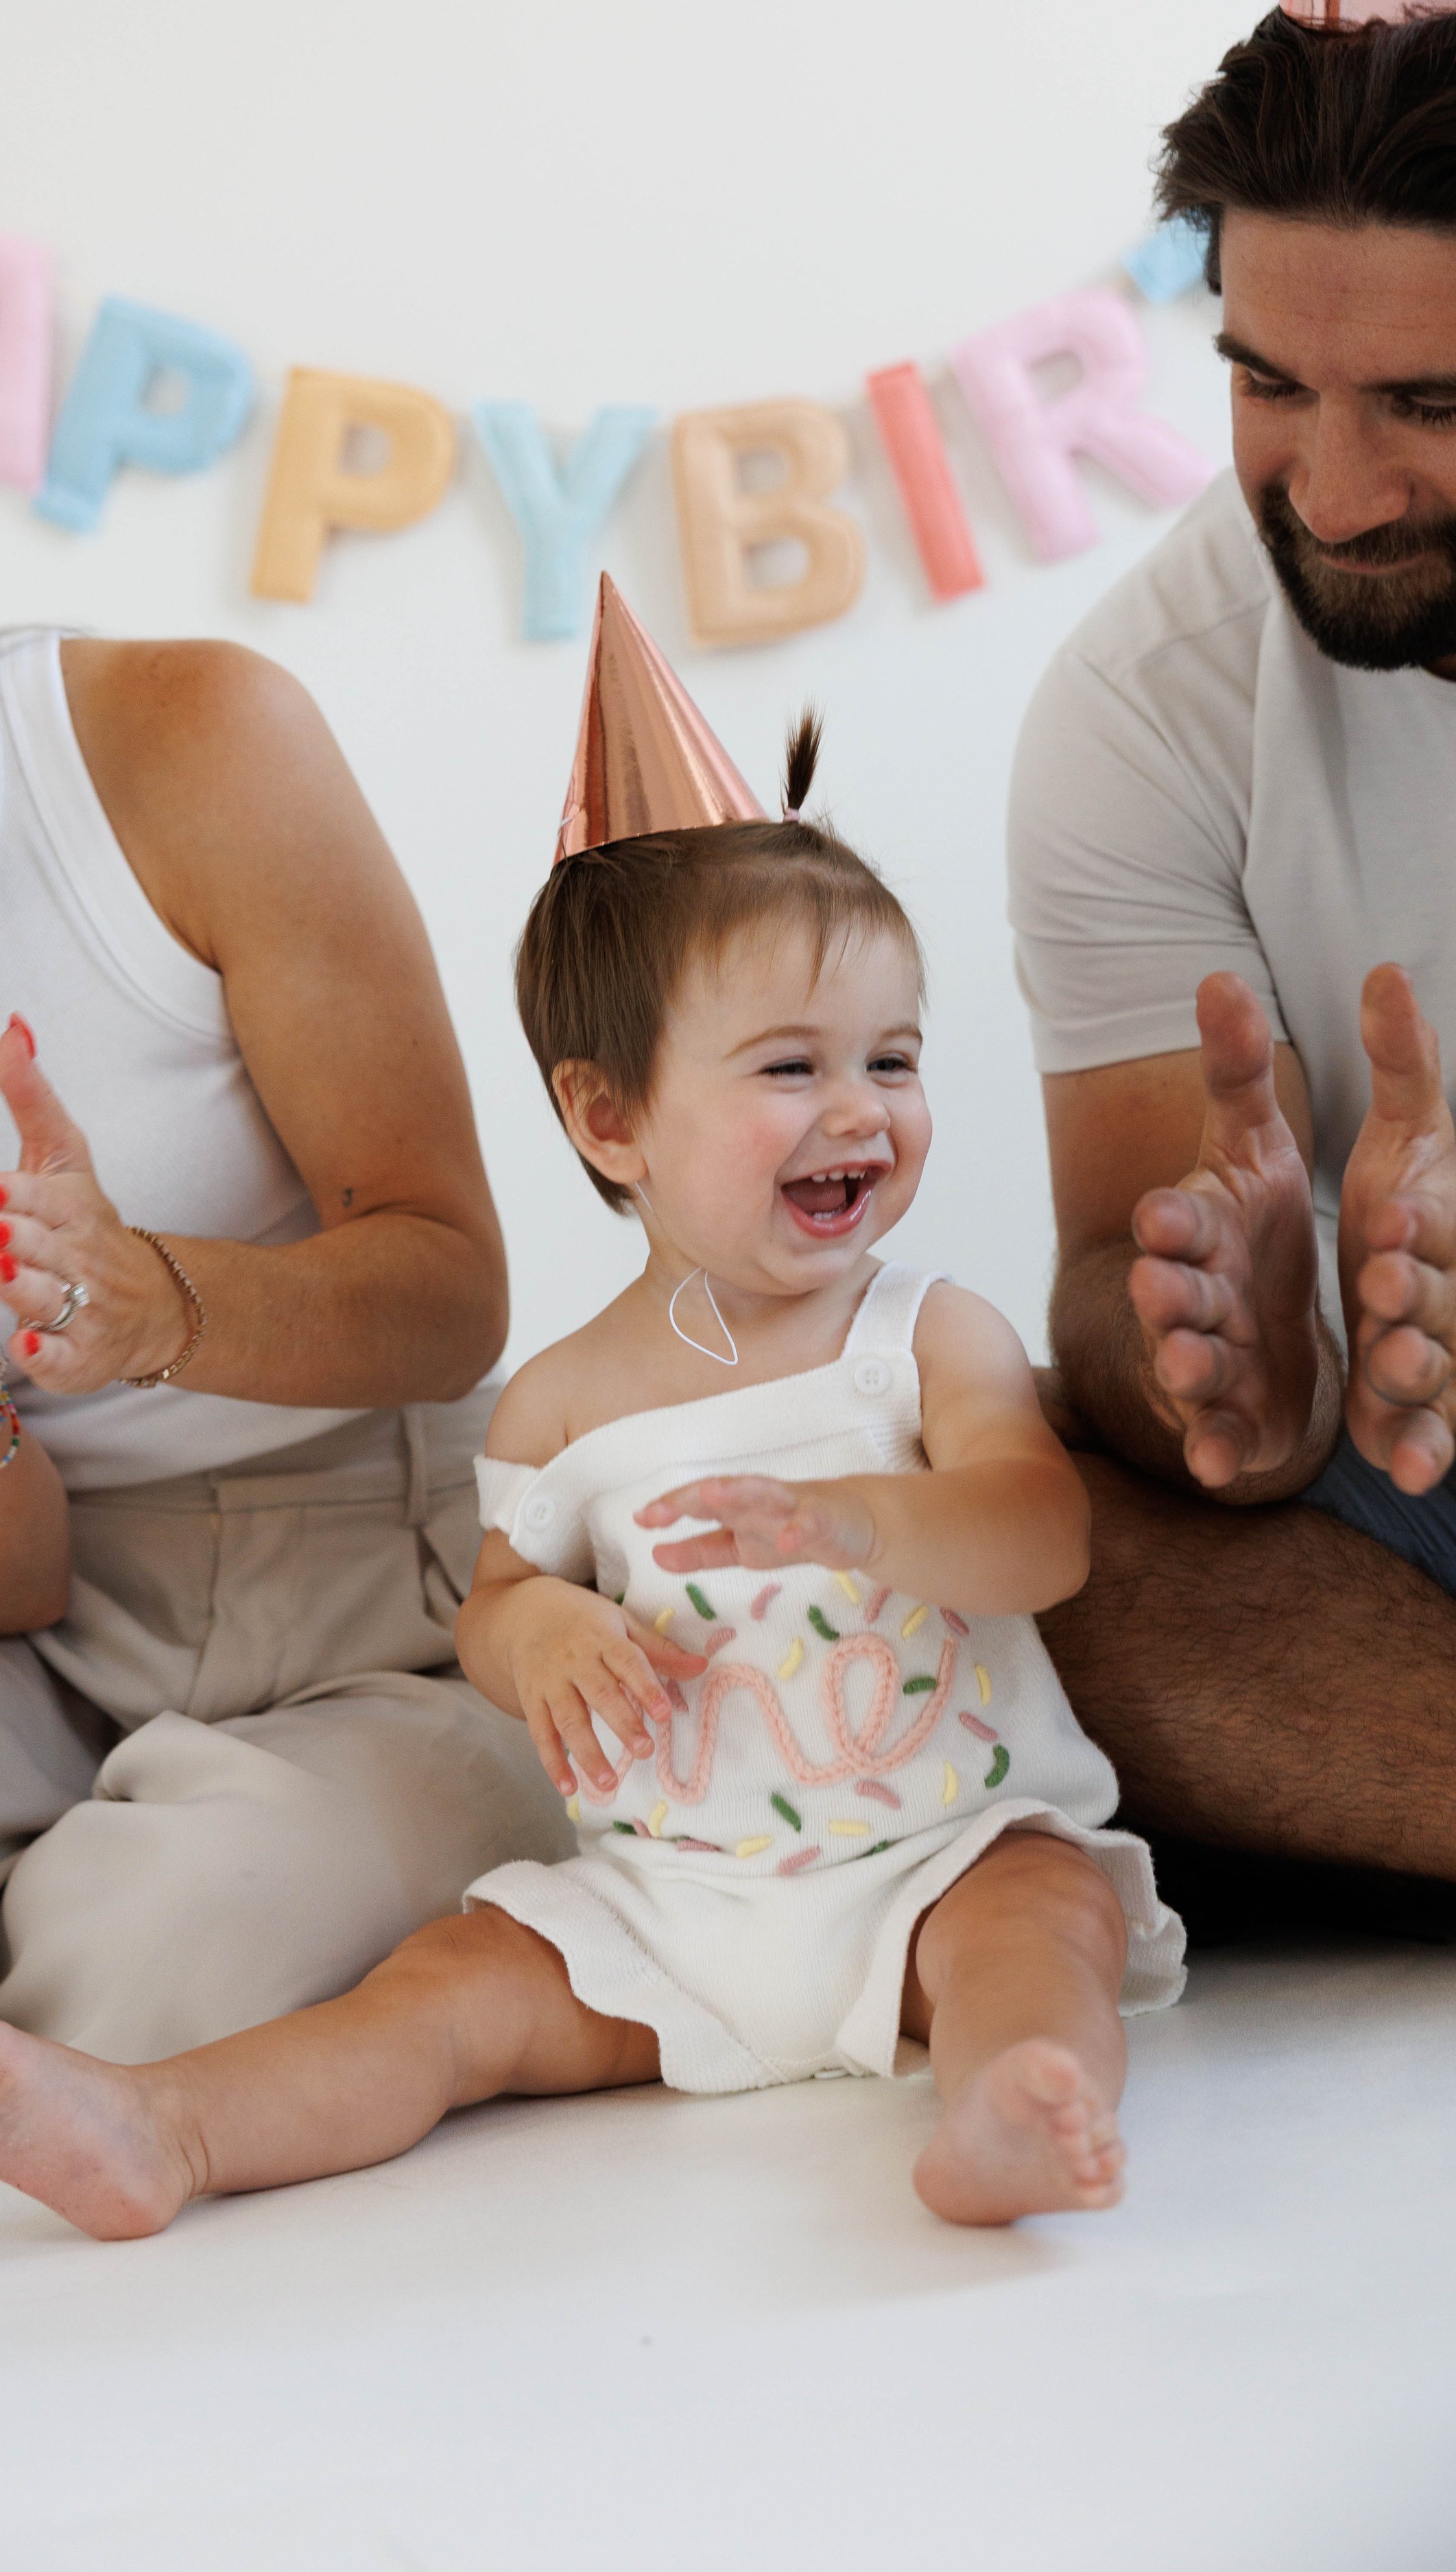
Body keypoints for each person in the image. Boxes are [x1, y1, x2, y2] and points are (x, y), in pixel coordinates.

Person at [0, 581, 1184, 2237]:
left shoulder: (924, 1337)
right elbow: (494, 1606)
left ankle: (1011, 2098)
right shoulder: (562, 1403)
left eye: (893, 1059)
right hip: (670, 1901)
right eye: (790, 1068)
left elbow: (1040, 1535)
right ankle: (169, 2131)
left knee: (1040, 1927)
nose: (859, 1110)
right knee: (448, 1989)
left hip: (936, 1855)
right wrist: (541, 1640)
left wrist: (860, 1520)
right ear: (609, 1115)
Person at [0, 368, 566, 2136]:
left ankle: (23, 1921)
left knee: (150, 1974)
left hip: (379, 1569)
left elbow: (446, 1292)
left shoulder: (181, 741)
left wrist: (157, 1306)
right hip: (14, 1626)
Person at [1010, 5, 1456, 1933]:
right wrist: (1225, 1371)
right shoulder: (1146, 703)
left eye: (1428, 405)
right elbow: (1108, 1273)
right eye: (1268, 381)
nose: (1333, 494)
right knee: (990, 1547)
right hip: (1401, 1516)